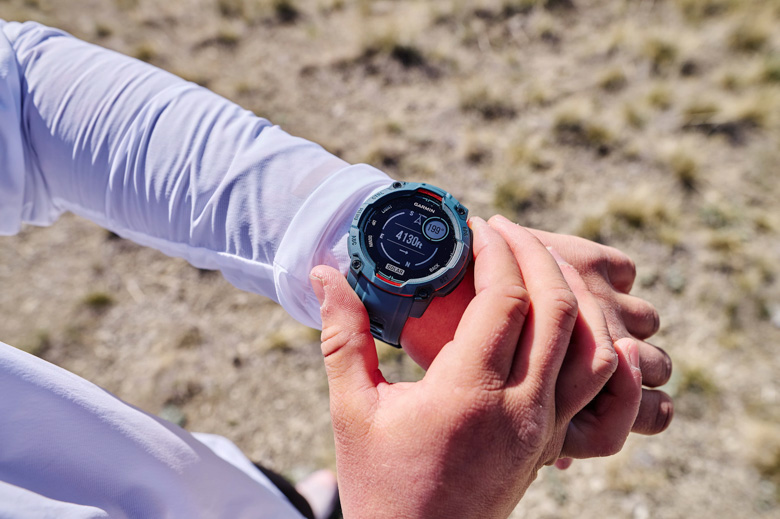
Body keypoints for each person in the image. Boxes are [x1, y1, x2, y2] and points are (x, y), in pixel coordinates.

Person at [0, 20, 673, 518]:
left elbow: (23, 98)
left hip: (214, 481)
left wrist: (460, 288)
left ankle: (303, 501)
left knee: (270, 495)